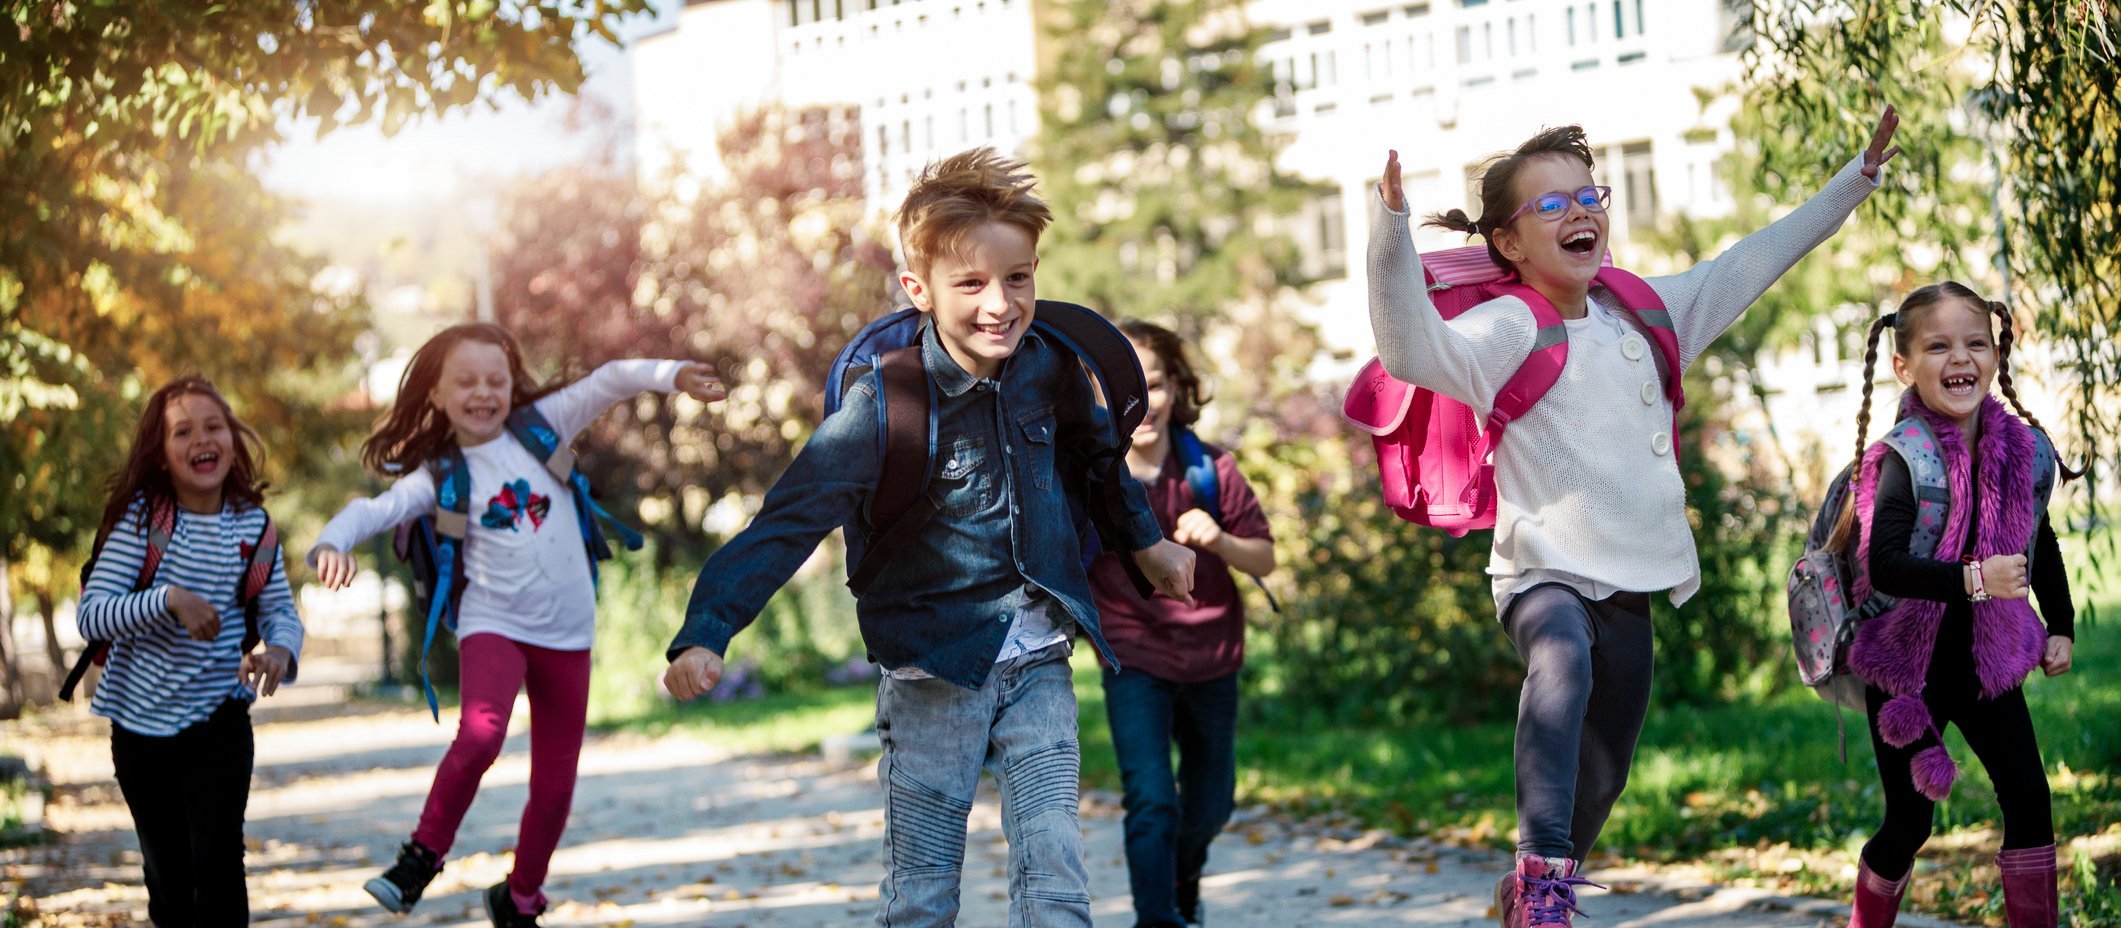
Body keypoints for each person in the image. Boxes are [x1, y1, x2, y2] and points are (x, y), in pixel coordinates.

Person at [1367, 109, 1899, 926]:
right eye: (1550, 205)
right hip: (1542, 569)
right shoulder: (1508, 325)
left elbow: (1751, 260)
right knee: (1561, 664)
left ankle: (1533, 888)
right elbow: (1412, 349)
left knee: (1607, 766)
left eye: (1588, 196)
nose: (1579, 212)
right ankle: (1544, 885)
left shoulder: (1647, 314)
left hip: (1632, 575)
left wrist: (1852, 182)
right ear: (1506, 243)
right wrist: (1390, 230)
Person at [663, 147, 1197, 927]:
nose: (1000, 304)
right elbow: (788, 521)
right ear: (919, 290)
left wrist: (1145, 543)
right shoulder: (887, 405)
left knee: (1056, 873)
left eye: (1018, 279)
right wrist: (705, 632)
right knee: (922, 893)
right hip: (930, 671)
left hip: (1038, 653)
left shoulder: (1045, 366)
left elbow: (1095, 462)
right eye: (971, 283)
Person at [311, 322, 723, 928]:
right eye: (466, 382)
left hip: (568, 632)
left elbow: (609, 381)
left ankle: (520, 897)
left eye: (495, 381)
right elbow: (375, 509)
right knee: (480, 734)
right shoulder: (440, 473)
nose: (483, 393)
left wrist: (672, 375)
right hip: (493, 624)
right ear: (437, 395)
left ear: (511, 385)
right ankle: (419, 859)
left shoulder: (541, 427)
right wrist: (330, 542)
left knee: (555, 788)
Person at [1832, 282, 2075, 928]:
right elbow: (1884, 563)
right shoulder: (1902, 458)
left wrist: (2062, 625)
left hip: (1984, 663)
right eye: (1937, 346)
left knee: (2028, 796)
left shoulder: (2021, 452)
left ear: (1995, 354)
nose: (1959, 358)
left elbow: (2037, 537)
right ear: (1903, 366)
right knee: (1909, 823)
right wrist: (1974, 579)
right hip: (1905, 673)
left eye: (1974, 342)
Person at [76, 375, 304, 925]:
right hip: (139, 729)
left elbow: (280, 612)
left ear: (232, 437)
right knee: (171, 881)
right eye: (183, 431)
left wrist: (279, 652)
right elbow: (91, 614)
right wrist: (169, 599)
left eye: (213, 426)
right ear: (160, 454)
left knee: (221, 867)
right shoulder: (143, 520)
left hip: (219, 719)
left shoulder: (253, 524)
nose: (201, 439)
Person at [1091, 319, 1276, 928]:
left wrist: (1220, 538)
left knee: (1209, 804)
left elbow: (1265, 557)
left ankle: (1181, 881)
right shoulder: (1094, 480)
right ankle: (1158, 918)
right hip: (1134, 655)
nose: (1143, 403)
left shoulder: (1211, 471)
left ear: (1177, 388)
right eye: (1126, 389)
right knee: (1150, 798)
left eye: (1156, 384)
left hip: (1211, 656)